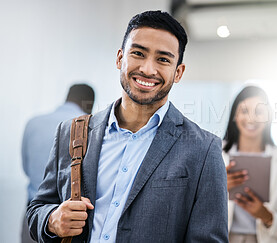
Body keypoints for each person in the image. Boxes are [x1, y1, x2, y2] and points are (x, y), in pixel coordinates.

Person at [26, 10, 228, 243]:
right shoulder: (71, 132)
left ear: (178, 72)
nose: (147, 69)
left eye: (163, 59)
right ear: (120, 58)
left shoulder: (204, 149)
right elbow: (37, 209)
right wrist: (52, 219)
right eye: (138, 53)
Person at [223, 86, 277, 243]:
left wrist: (266, 215)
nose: (251, 118)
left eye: (259, 112)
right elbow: (193, 212)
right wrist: (219, 188)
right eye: (244, 111)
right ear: (235, 115)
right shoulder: (214, 154)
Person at [21, 83, 95, 243]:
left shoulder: (33, 122)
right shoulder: (89, 128)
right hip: (69, 224)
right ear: (89, 103)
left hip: (33, 215)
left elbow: (26, 168)